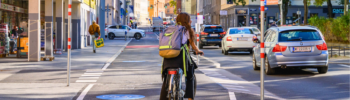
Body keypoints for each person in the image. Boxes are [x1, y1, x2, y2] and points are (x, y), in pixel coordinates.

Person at [159, 12, 203, 100]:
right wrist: (198, 51)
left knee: (166, 79)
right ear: (187, 21)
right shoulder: (186, 30)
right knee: (190, 74)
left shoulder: (170, 29)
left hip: (167, 58)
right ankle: (190, 97)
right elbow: (193, 45)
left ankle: (163, 98)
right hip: (180, 58)